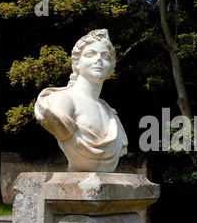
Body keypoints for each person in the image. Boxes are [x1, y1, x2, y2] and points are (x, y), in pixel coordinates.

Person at [35, 29, 128, 172]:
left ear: (111, 68)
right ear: (77, 64)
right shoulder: (63, 100)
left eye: (105, 56)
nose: (98, 60)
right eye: (90, 54)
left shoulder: (111, 114)